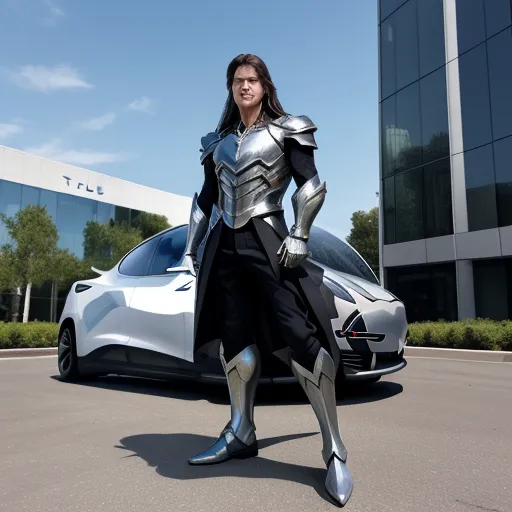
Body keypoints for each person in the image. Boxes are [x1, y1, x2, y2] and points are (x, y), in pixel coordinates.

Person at [183, 53, 353, 507]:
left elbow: (311, 185)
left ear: (264, 86)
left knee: (300, 334)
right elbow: (204, 200)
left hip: (269, 236)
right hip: (225, 246)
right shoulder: (216, 143)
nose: (244, 87)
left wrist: (300, 233)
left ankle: (334, 447)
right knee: (234, 340)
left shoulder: (287, 129)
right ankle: (241, 429)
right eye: (238, 80)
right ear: (230, 87)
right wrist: (189, 248)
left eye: (252, 80)